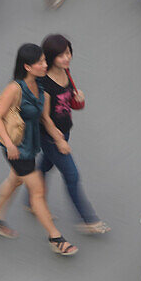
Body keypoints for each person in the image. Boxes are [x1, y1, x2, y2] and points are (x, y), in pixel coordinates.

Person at [0, 44, 77, 257]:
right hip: (17, 149)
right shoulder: (14, 89)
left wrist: (57, 136)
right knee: (38, 191)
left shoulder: (39, 83)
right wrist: (9, 144)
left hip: (31, 144)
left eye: (45, 60)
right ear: (27, 66)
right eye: (40, 62)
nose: (45, 64)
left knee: (14, 181)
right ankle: (55, 238)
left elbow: (44, 116)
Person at [32, 34, 109, 235]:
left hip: (65, 131)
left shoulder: (66, 71)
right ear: (50, 58)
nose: (66, 58)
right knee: (72, 175)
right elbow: (45, 118)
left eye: (67, 52)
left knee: (45, 166)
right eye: (60, 55)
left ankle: (31, 200)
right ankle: (89, 220)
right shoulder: (45, 83)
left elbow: (71, 102)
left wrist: (80, 99)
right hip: (51, 136)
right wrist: (59, 141)